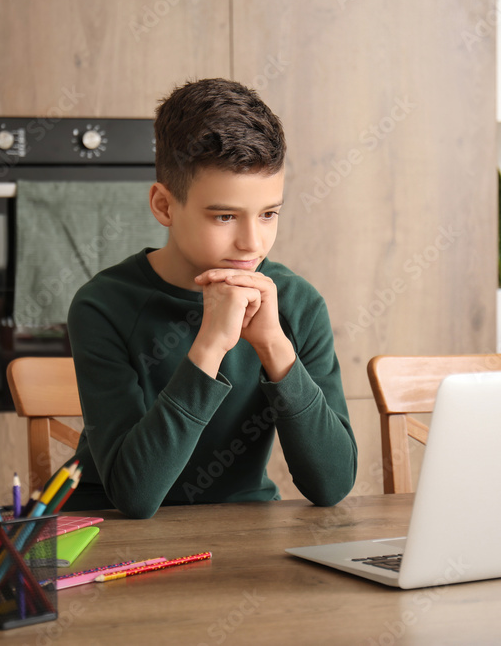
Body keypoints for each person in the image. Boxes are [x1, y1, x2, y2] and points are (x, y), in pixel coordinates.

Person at [62, 78, 357, 518]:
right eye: (224, 216)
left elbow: (332, 486)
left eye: (269, 214)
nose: (252, 244)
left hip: (244, 528)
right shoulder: (103, 305)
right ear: (164, 206)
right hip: (112, 533)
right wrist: (210, 346)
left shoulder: (295, 303)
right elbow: (136, 496)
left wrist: (275, 346)